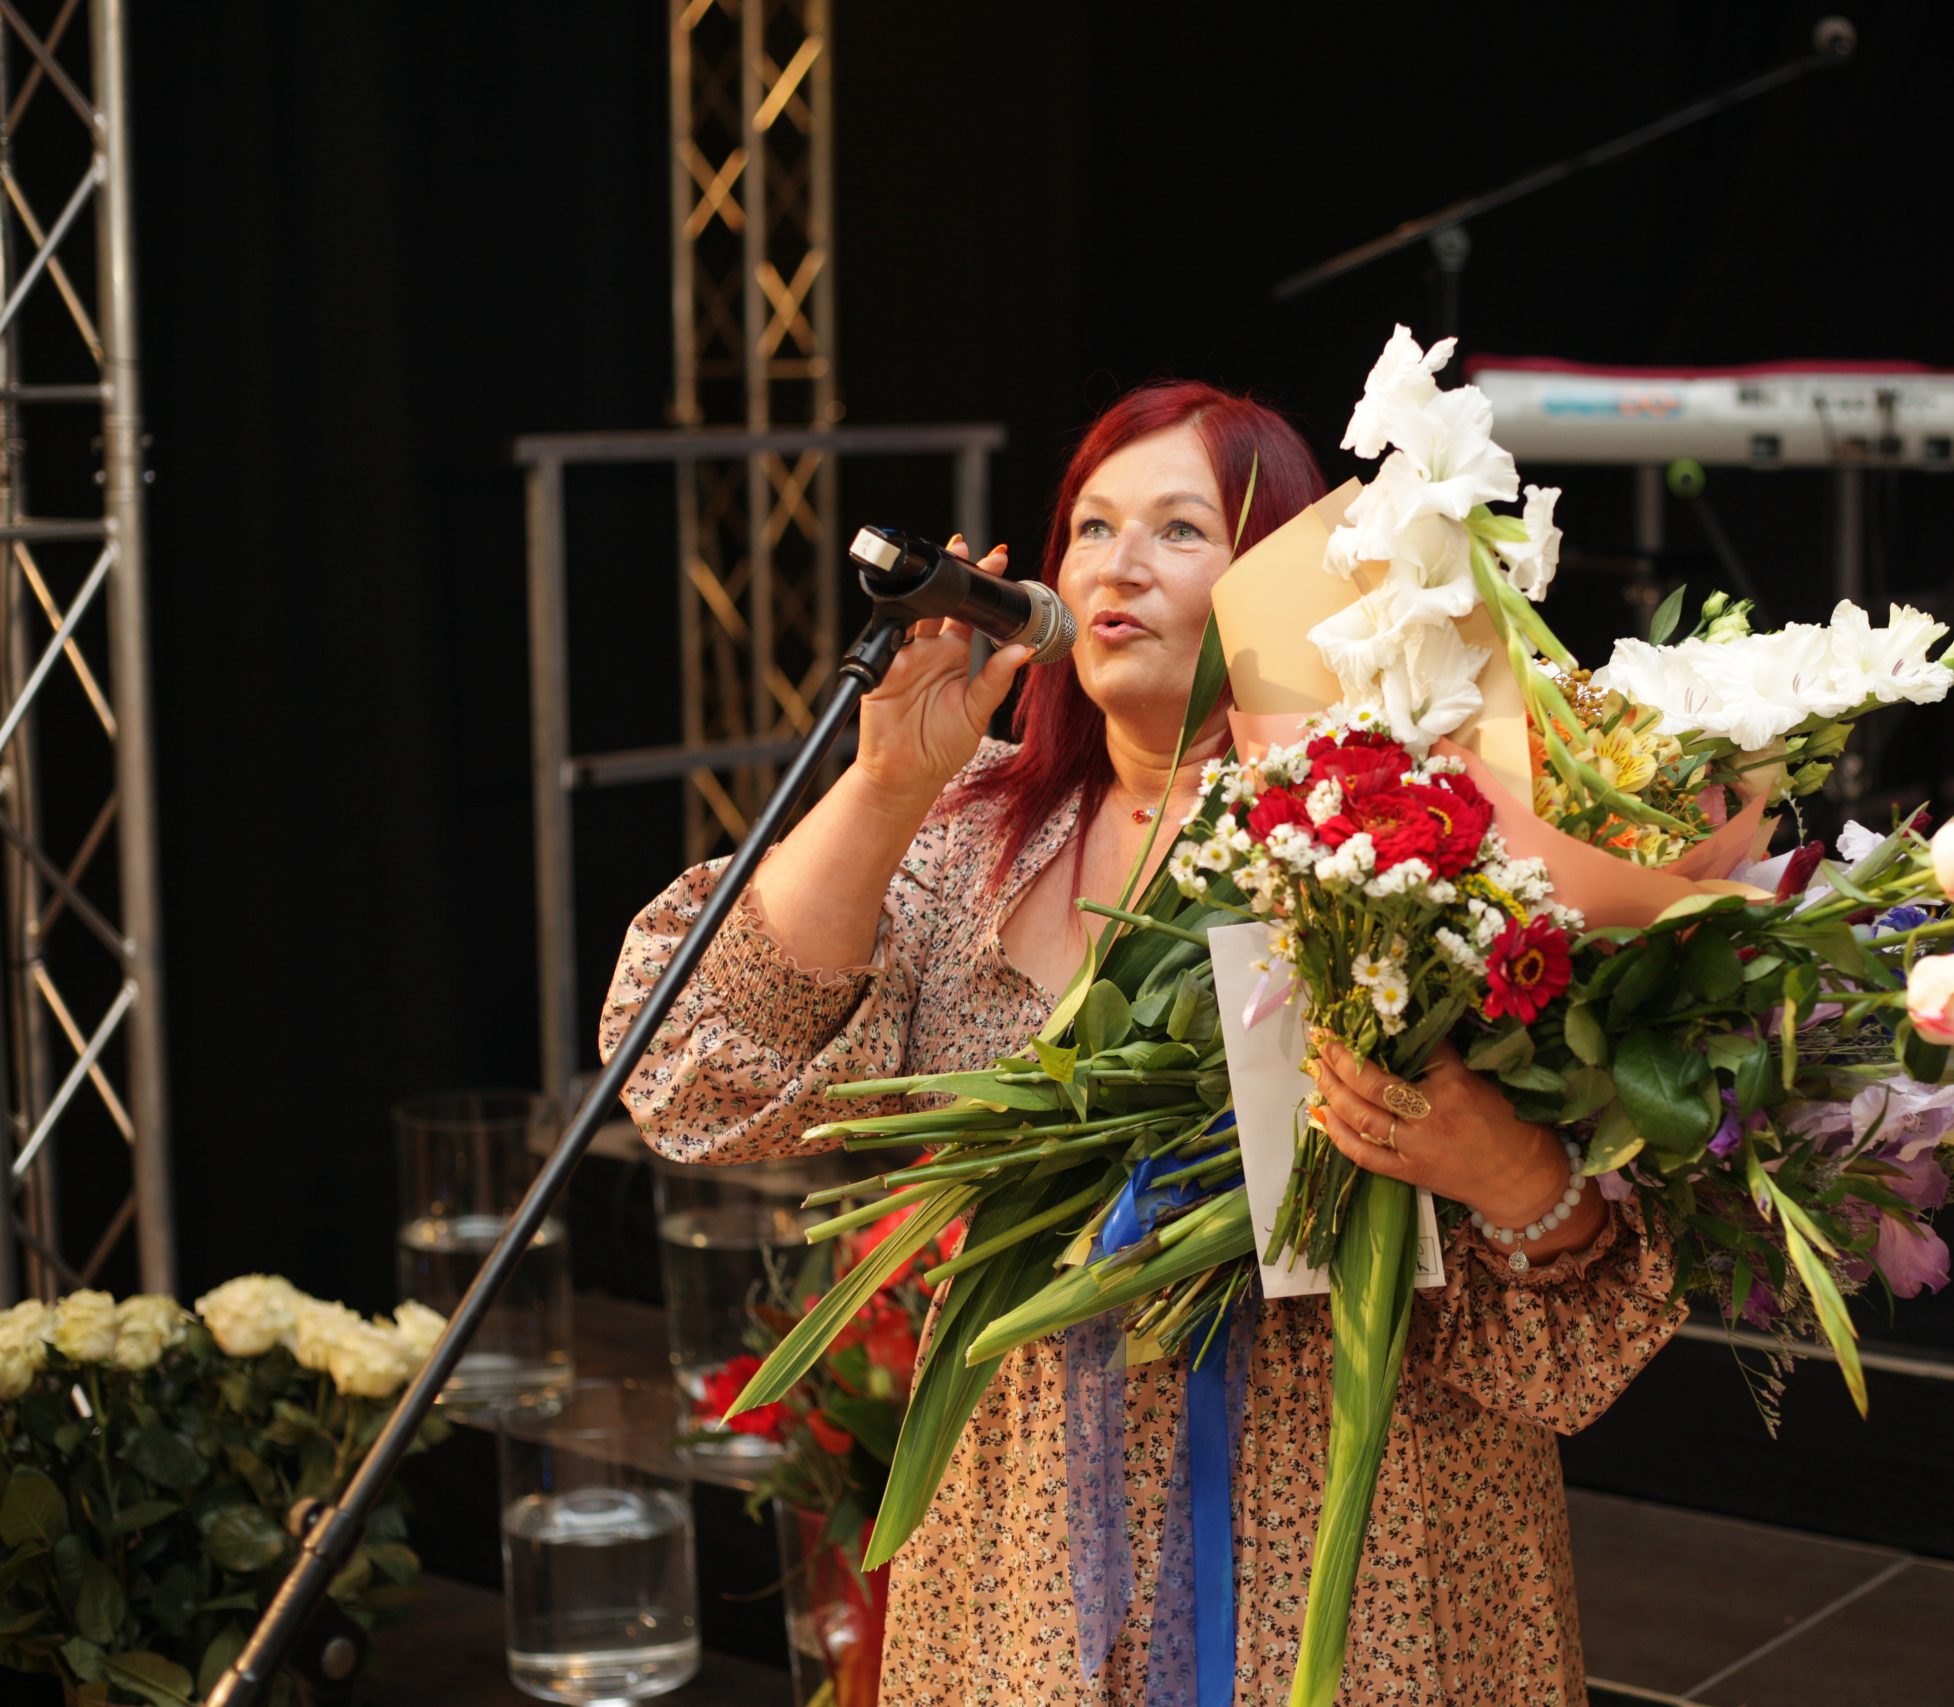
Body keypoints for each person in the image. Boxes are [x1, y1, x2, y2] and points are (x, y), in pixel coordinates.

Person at [601, 381, 1686, 1704]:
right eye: (1093, 528)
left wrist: (1508, 1171)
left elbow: (1586, 1329)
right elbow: (699, 1072)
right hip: (1032, 1550)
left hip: (1367, 1539)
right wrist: (887, 783)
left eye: (1180, 529)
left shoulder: (1420, 837)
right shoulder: (972, 837)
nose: (1118, 564)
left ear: (1289, 578)